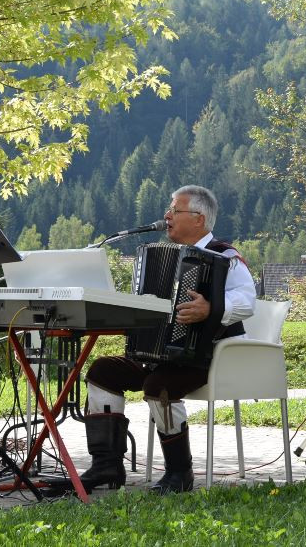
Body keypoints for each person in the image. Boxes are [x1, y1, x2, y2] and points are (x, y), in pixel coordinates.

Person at [77, 185, 255, 494]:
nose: (167, 215)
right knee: (102, 371)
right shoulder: (156, 256)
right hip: (157, 355)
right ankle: (106, 465)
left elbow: (248, 300)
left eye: (174, 210)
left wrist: (212, 308)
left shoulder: (225, 256)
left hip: (208, 356)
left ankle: (179, 472)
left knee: (159, 385)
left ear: (198, 218)